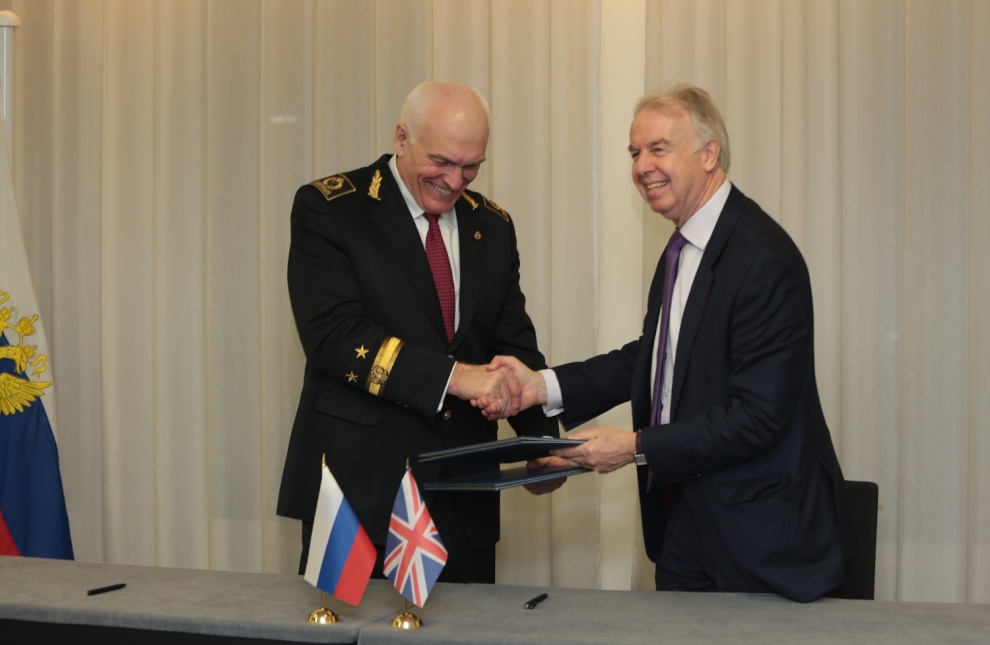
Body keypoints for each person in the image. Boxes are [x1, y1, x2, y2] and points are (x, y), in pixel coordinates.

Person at [486, 83, 857, 602]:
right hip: (684, 524)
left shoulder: (762, 258)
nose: (642, 167)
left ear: (709, 154)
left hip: (762, 538)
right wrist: (540, 387)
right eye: (635, 152)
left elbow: (759, 416)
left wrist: (635, 447)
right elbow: (656, 359)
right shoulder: (682, 247)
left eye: (658, 149)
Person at [277, 81, 559, 584]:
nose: (455, 181)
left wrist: (540, 445)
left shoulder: (492, 226)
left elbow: (512, 343)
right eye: (442, 161)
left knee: (469, 628)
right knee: (353, 624)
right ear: (401, 137)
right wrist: (457, 377)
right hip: (359, 496)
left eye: (471, 166)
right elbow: (333, 337)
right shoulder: (332, 208)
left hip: (463, 495)